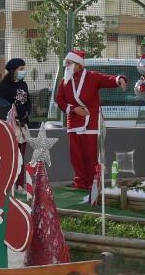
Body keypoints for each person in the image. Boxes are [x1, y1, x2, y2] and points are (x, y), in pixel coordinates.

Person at [54, 50, 127, 189]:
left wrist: (119, 80)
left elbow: (107, 79)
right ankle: (80, 182)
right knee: (76, 155)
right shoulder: (64, 81)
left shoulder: (92, 76)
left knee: (91, 155)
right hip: (74, 121)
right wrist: (74, 109)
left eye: (69, 63)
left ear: (78, 64)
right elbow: (60, 101)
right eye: (66, 63)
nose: (66, 66)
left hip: (91, 122)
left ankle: (93, 183)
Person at [0, 57, 31, 184]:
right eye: (21, 69)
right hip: (10, 125)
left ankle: (20, 183)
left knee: (21, 155)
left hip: (22, 125)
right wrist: (18, 111)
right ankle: (7, 182)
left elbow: (28, 102)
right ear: (13, 71)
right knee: (10, 155)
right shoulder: (4, 85)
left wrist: (26, 111)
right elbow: (2, 103)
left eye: (23, 69)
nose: (23, 71)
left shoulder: (24, 84)